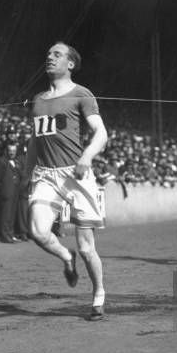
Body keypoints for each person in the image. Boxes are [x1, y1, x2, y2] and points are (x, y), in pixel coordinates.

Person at [26, 41, 108, 320]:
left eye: (57, 54)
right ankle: (65, 257)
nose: (50, 57)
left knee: (86, 247)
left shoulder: (81, 94)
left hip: (77, 175)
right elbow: (34, 143)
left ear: (70, 64)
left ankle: (98, 296)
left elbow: (101, 133)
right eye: (48, 53)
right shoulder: (37, 100)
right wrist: (29, 174)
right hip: (46, 175)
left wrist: (86, 156)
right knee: (38, 232)